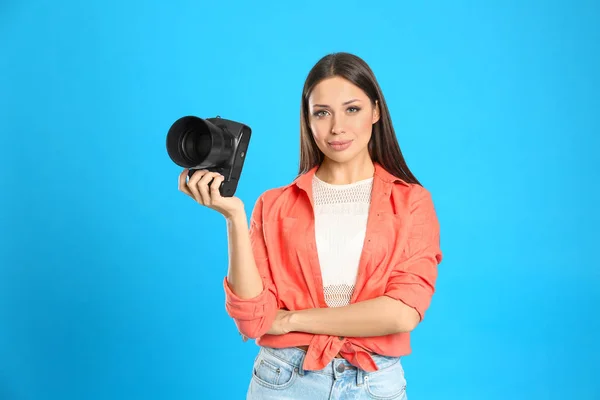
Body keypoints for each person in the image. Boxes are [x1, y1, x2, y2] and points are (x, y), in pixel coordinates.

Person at [178, 52, 443, 399]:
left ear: (376, 111)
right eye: (322, 113)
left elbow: (403, 313)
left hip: (375, 384)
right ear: (307, 119)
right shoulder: (274, 205)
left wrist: (290, 320)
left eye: (352, 109)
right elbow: (253, 319)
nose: (337, 127)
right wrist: (233, 217)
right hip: (284, 380)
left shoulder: (411, 203)